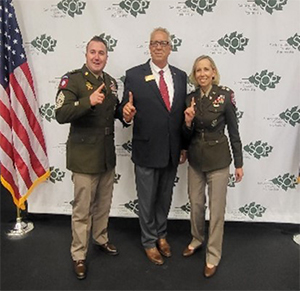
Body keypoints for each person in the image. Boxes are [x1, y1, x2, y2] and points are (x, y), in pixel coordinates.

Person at [55, 36, 124, 280]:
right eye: (93, 52)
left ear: (107, 57)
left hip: (105, 154)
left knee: (103, 204)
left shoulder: (111, 82)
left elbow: (114, 111)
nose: (97, 57)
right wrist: (88, 101)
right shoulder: (72, 79)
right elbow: (61, 113)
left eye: (101, 53)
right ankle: (79, 254)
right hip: (84, 156)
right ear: (86, 55)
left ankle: (101, 238)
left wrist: (125, 113)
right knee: (82, 209)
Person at [120, 27, 187, 265]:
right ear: (149, 47)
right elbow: (122, 109)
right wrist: (126, 113)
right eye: (154, 43)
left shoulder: (181, 76)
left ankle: (161, 234)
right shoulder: (134, 75)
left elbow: (180, 115)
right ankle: (148, 241)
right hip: (146, 149)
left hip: (171, 150)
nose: (158, 47)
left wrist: (184, 146)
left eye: (163, 43)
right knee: (147, 199)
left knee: (164, 197)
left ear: (170, 47)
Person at [182, 55, 244, 278]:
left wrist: (239, 163)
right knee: (196, 204)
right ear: (194, 74)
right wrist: (187, 122)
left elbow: (234, 132)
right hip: (196, 159)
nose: (202, 74)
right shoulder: (190, 98)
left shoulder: (225, 96)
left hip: (218, 160)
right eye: (198, 70)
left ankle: (213, 254)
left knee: (216, 210)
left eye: (206, 69)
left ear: (214, 73)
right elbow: (185, 135)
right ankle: (197, 239)